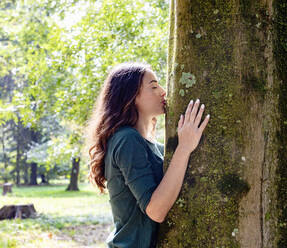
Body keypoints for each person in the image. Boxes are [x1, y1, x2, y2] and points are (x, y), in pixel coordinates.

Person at [86, 62, 210, 248]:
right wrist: (184, 148)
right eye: (153, 86)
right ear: (131, 95)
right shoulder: (126, 139)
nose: (163, 91)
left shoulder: (152, 147)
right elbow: (156, 211)